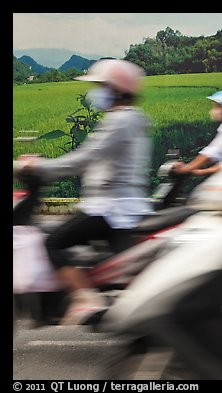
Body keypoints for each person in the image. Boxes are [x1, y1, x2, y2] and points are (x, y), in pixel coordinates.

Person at [17, 59, 153, 325]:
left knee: (52, 242)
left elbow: (85, 158)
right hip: (120, 204)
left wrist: (40, 168)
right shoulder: (132, 119)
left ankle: (85, 298)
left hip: (111, 208)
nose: (96, 92)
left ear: (116, 89)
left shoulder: (119, 121)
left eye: (101, 86)